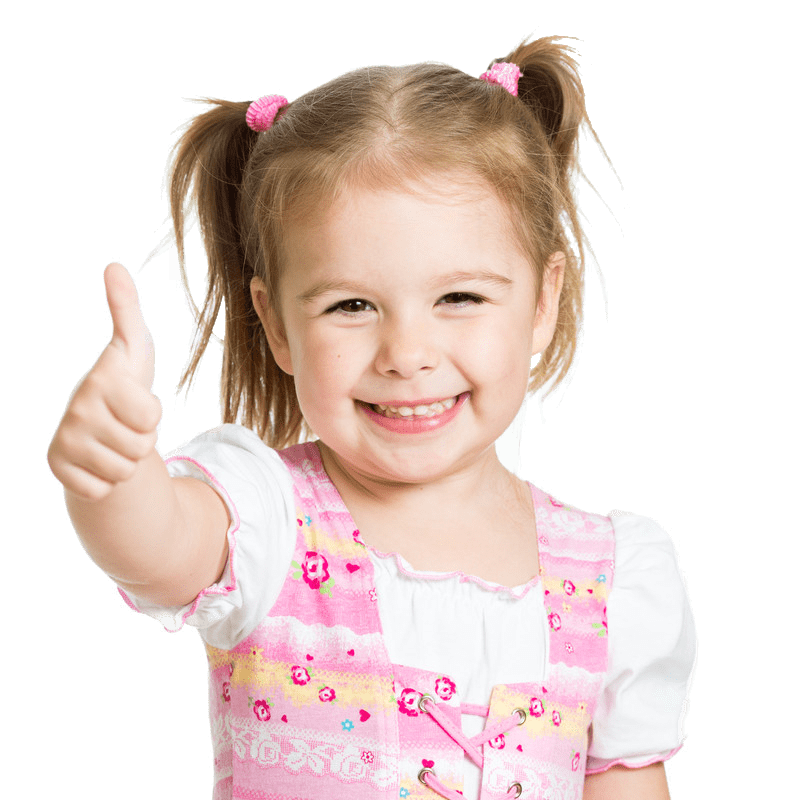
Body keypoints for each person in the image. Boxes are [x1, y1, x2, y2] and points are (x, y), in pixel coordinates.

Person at [46, 33, 696, 800]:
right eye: (352, 305)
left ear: (543, 301)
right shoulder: (268, 517)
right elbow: (160, 544)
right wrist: (112, 477)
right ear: (278, 324)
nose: (407, 353)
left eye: (460, 298)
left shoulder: (614, 579)